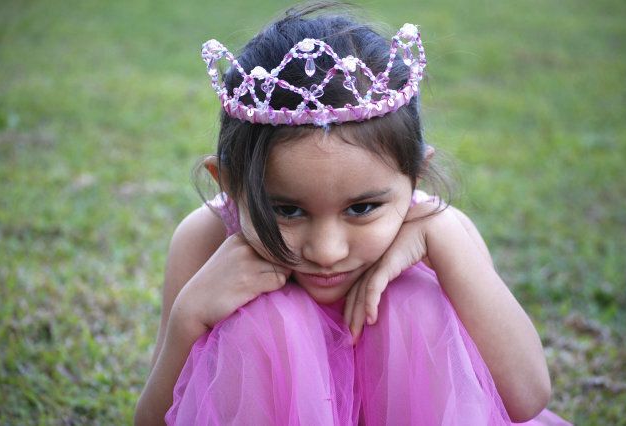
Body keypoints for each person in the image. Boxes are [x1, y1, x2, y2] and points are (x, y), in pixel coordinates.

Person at [135, 3, 570, 425]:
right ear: (227, 182)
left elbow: (526, 398)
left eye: (362, 208)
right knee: (261, 323)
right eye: (286, 210)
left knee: (412, 302)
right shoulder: (205, 238)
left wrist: (445, 233)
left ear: (417, 176)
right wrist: (189, 316)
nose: (327, 251)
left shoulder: (440, 232)